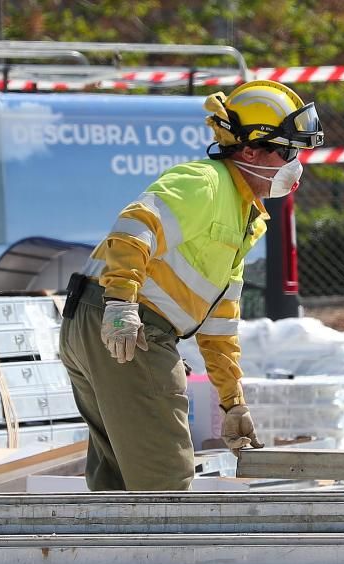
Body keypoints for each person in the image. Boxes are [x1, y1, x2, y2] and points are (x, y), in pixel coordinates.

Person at [58, 80, 324, 491]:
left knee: (118, 483)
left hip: (106, 324)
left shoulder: (242, 218)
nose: (295, 163)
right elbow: (134, 227)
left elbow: (220, 325)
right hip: (130, 330)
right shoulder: (207, 183)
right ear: (250, 150)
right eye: (287, 151)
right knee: (165, 486)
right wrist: (121, 304)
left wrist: (232, 402)